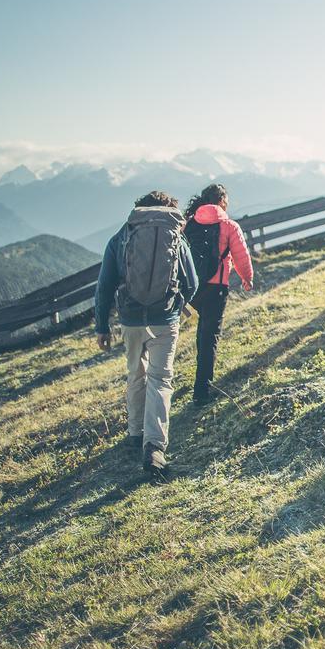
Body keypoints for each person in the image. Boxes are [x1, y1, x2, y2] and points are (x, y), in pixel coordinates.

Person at [94, 190, 198, 480]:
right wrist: (178, 306)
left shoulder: (122, 236)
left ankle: (134, 433)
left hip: (130, 320)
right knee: (160, 379)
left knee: (135, 375)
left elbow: (103, 287)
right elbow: (193, 282)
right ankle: (154, 447)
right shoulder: (175, 235)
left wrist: (102, 326)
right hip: (165, 319)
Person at [183, 183, 254, 406]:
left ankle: (200, 380)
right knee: (210, 336)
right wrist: (247, 278)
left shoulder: (188, 224)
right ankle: (202, 391)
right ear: (222, 201)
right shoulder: (229, 226)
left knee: (203, 330)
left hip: (193, 288)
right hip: (216, 288)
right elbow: (241, 255)